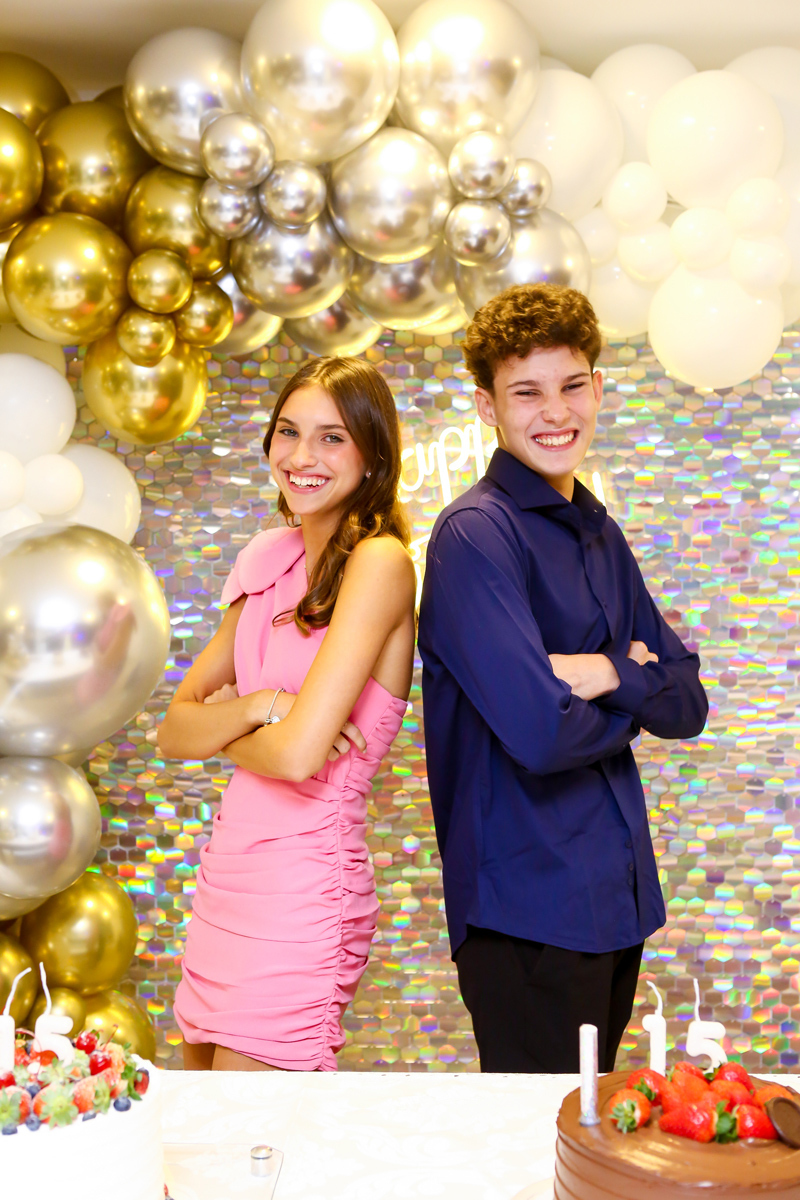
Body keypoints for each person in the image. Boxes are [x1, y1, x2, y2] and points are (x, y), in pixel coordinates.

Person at [417, 283, 708, 1074]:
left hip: (615, 900)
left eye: (572, 385)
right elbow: (542, 734)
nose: (556, 412)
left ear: (599, 388)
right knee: (536, 1135)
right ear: (487, 406)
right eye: (526, 392)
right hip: (528, 911)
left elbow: (688, 702)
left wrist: (600, 673)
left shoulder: (600, 531)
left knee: (589, 1130)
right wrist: (632, 682)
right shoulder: (474, 537)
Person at [160, 357, 416, 1072]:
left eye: (332, 437)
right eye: (288, 432)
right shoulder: (267, 562)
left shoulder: (380, 563)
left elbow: (300, 757)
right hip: (228, 875)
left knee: (249, 1133)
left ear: (372, 455)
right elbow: (171, 730)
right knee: (202, 1119)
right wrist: (261, 709)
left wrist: (223, 729)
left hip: (300, 886)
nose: (302, 456)